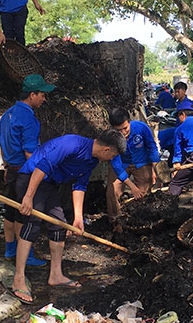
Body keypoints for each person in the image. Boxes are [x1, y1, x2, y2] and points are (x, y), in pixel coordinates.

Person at [10, 129, 126, 304]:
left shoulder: (92, 161)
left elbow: (80, 185)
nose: (111, 160)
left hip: (49, 184)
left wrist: (78, 217)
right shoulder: (72, 144)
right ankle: (18, 278)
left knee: (59, 226)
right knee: (33, 223)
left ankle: (55, 275)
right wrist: (28, 197)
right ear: (107, 150)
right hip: (31, 179)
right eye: (113, 156)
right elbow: (42, 167)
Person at [0, 74, 56, 267]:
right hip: (24, 171)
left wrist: (6, 165)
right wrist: (41, 175)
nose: (44, 98)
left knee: (10, 211)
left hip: (11, 168)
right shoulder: (28, 119)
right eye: (42, 95)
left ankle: (9, 249)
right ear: (32, 94)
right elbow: (30, 153)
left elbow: (2, 144)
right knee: (24, 213)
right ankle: (27, 255)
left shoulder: (8, 114)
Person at [107, 108, 160, 231]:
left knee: (143, 193)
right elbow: (116, 164)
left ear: (129, 122)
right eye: (118, 130)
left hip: (141, 162)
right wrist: (131, 186)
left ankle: (142, 222)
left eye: (125, 128)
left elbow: (151, 147)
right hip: (122, 164)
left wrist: (154, 169)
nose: (123, 132)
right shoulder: (111, 138)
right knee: (113, 191)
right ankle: (116, 221)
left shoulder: (141, 128)